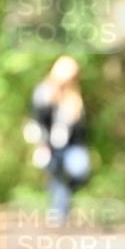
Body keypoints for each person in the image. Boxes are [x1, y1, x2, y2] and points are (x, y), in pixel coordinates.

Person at [27, 56, 90, 221]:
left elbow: (80, 125)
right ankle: (60, 214)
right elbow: (38, 120)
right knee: (57, 177)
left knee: (79, 171)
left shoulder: (74, 95)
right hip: (50, 144)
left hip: (74, 143)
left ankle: (62, 208)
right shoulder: (43, 92)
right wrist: (42, 144)